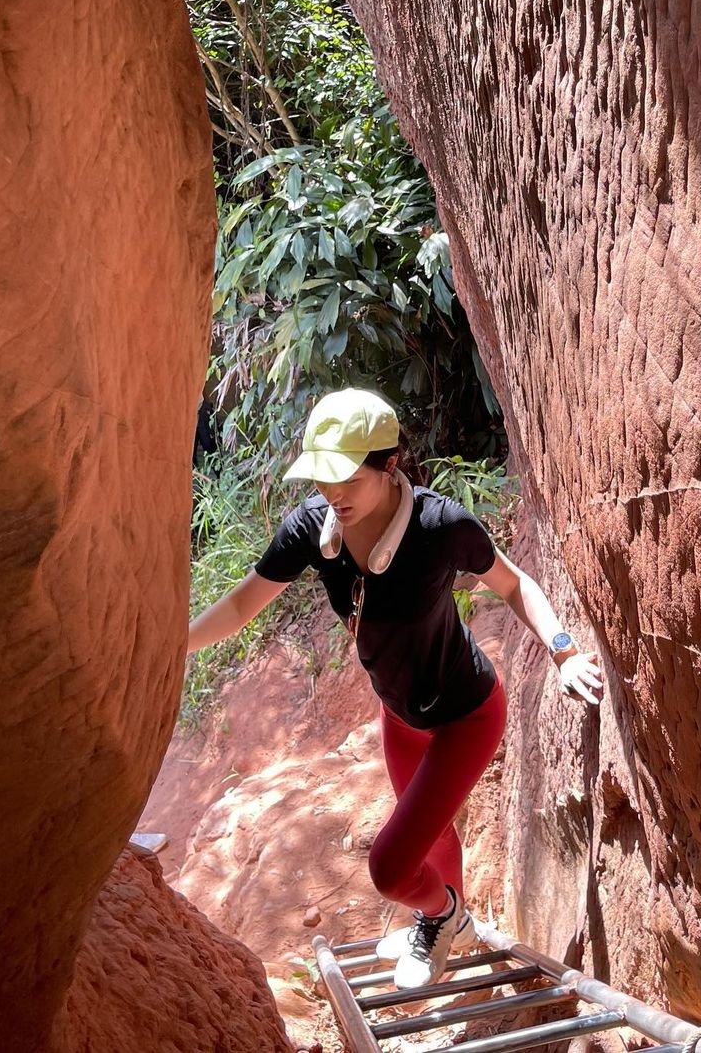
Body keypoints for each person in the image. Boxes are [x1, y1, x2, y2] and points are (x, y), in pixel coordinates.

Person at [187, 388, 603, 989]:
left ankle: (439, 915)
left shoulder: (440, 526)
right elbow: (240, 603)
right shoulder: (313, 529)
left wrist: (562, 651)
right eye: (322, 479)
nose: (332, 494)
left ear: (388, 466)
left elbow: (514, 585)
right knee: (429, 837)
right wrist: (172, 645)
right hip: (399, 715)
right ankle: (448, 924)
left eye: (346, 478)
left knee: (388, 869)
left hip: (467, 715)